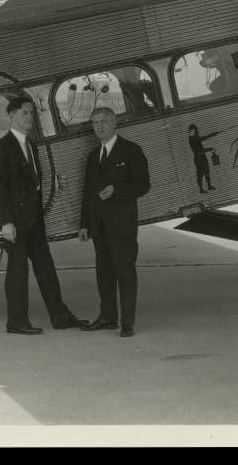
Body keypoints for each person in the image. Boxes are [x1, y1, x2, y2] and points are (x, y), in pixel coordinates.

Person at [0, 97, 85, 335]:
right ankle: (17, 322)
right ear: (11, 116)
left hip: (34, 220)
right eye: (24, 113)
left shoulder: (30, 144)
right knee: (18, 272)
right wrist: (5, 222)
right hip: (17, 222)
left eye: (31, 113)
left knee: (46, 268)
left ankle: (60, 316)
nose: (29, 117)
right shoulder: (3, 146)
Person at [78, 107, 150, 338]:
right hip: (99, 227)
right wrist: (84, 225)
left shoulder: (131, 151)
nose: (99, 127)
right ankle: (108, 318)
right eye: (96, 122)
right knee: (104, 275)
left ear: (114, 123)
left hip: (122, 226)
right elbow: (87, 194)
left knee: (125, 273)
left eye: (104, 121)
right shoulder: (92, 157)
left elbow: (143, 184)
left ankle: (127, 322)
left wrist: (117, 190)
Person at [187, 124, 220, 193]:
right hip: (199, 158)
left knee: (207, 171)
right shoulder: (192, 139)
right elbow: (204, 139)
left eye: (195, 130)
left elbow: (205, 138)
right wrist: (209, 148)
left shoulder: (195, 138)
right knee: (200, 174)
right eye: (193, 131)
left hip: (202, 157)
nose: (195, 132)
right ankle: (201, 189)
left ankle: (209, 186)